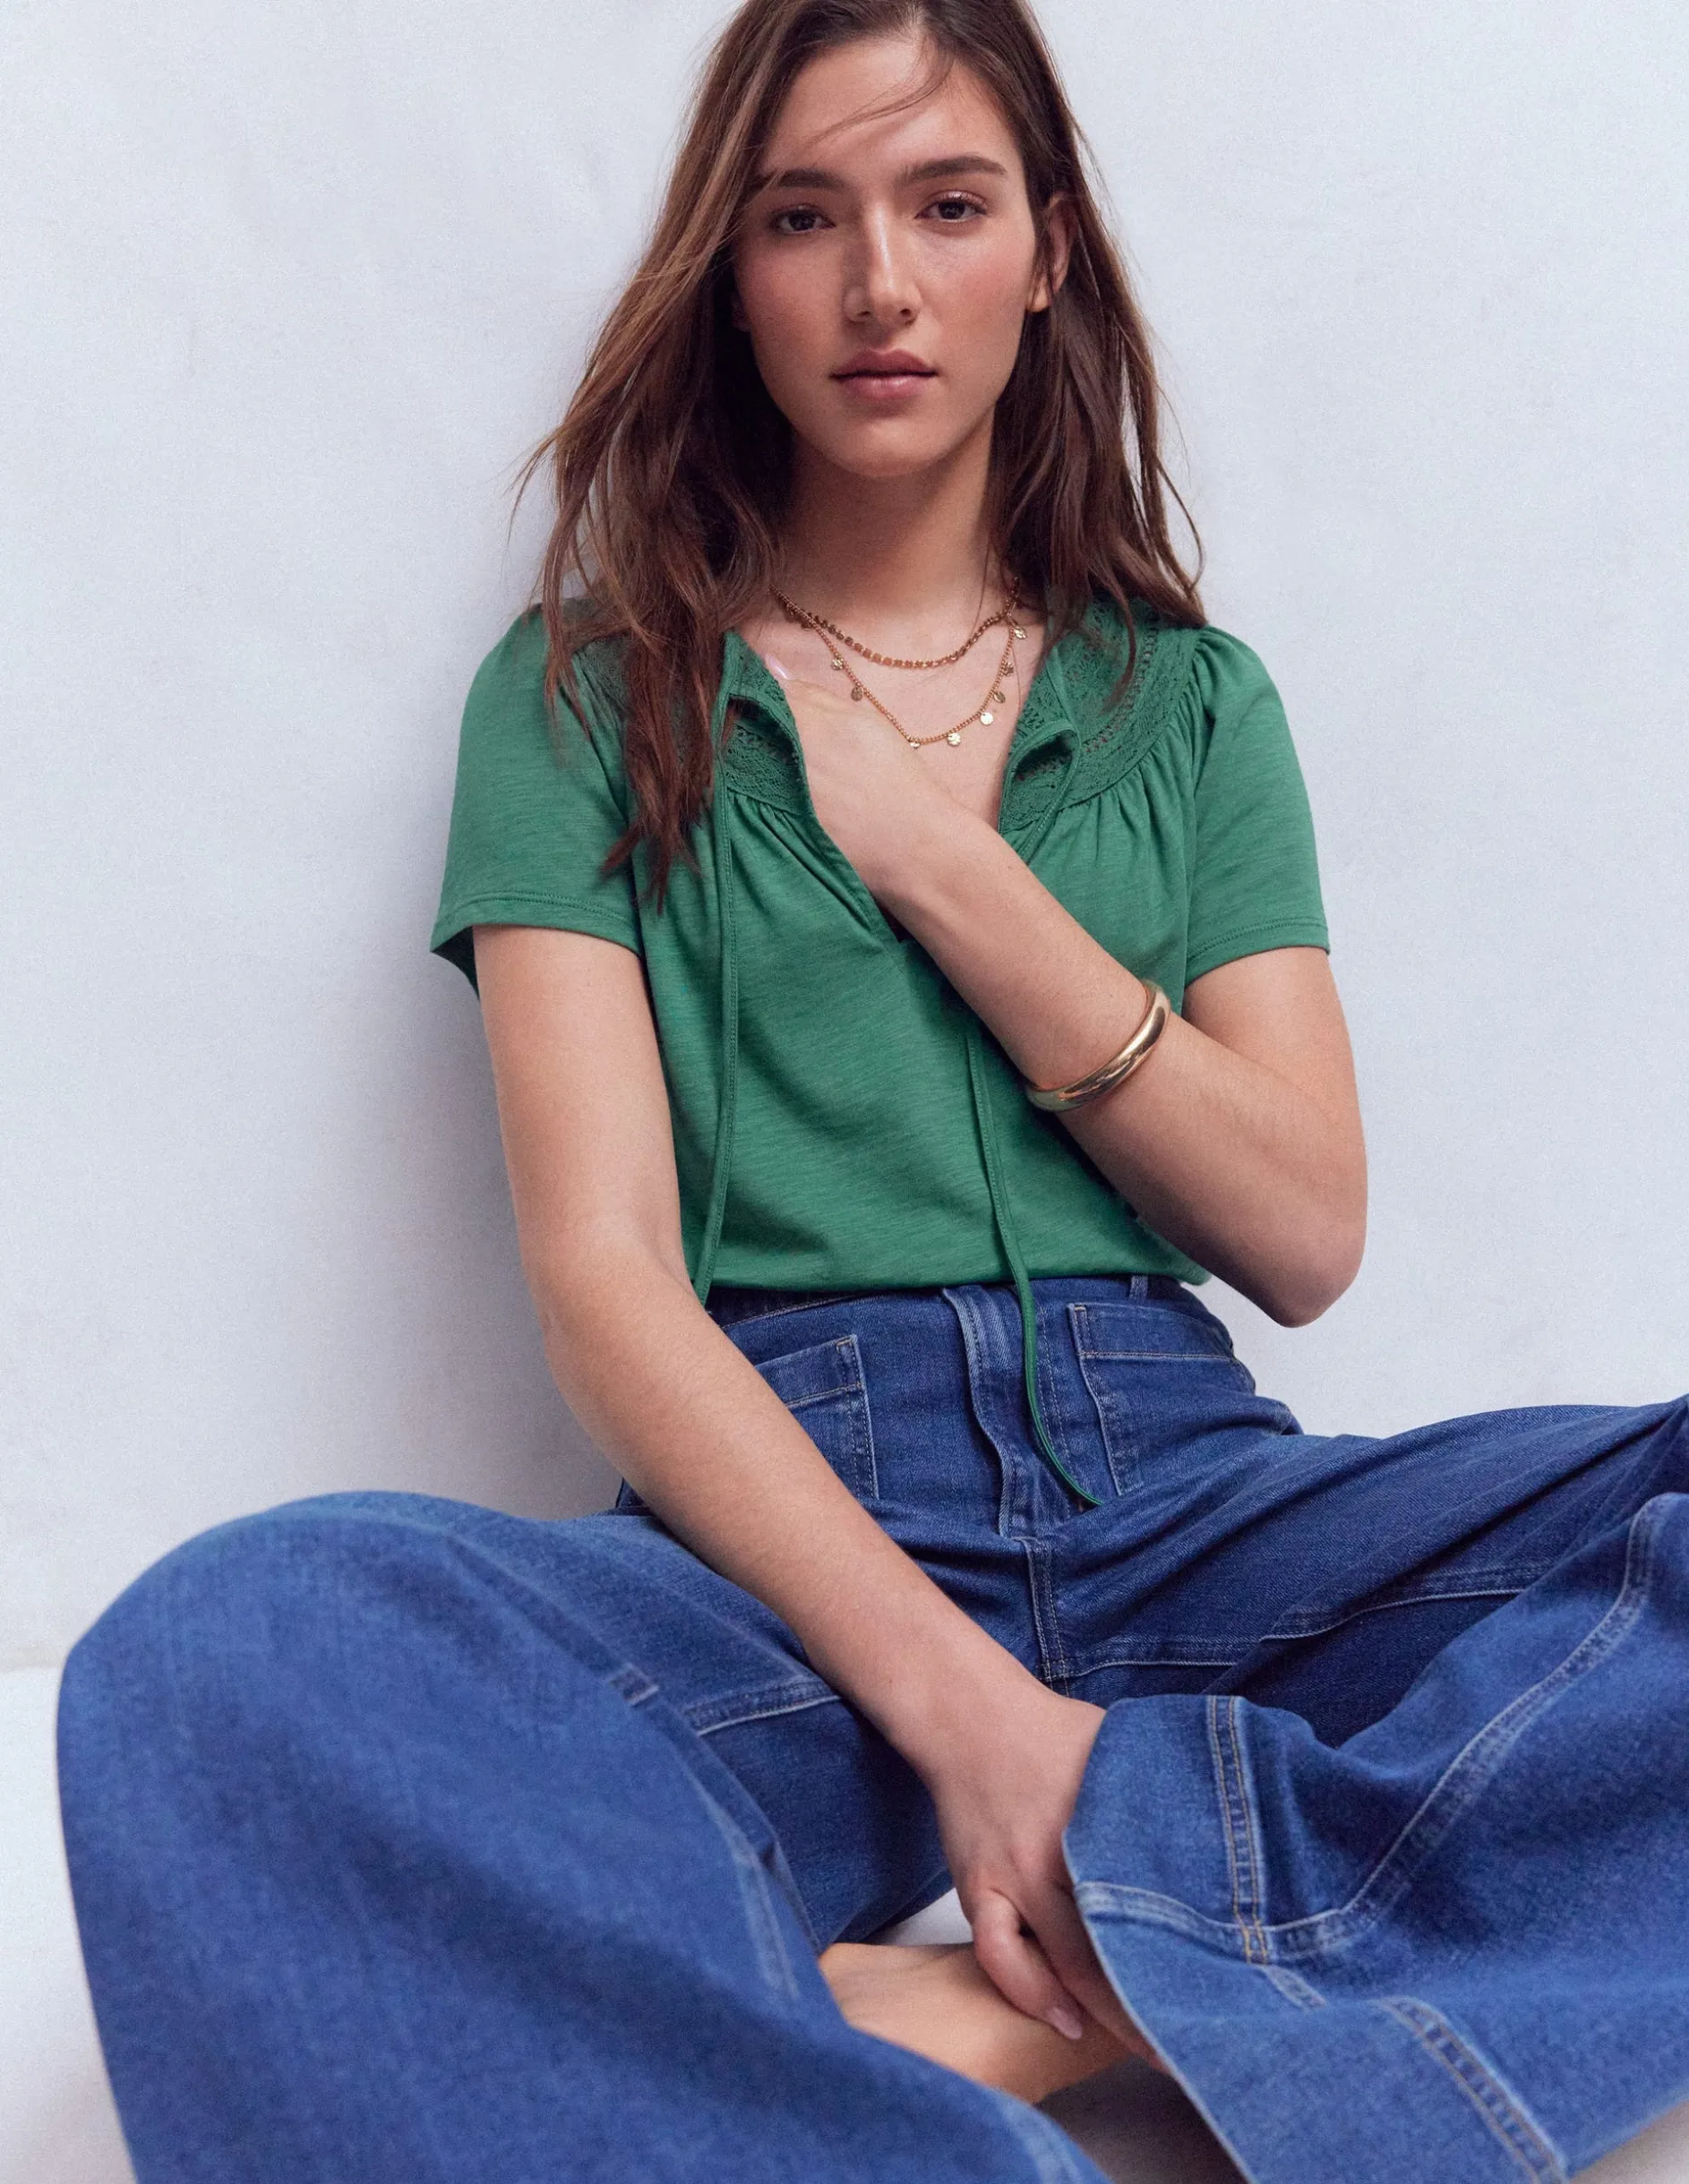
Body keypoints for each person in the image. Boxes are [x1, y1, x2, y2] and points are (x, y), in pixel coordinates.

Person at [56, 2, 1689, 2180]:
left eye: (947, 204)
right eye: (803, 219)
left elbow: (1302, 1229)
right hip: (783, 1537)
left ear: (1049, 251)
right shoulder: (585, 698)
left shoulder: (1192, 704)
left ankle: (1062, 1992)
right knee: (226, 1648)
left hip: (1196, 1499)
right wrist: (966, 1711)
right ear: (731, 276)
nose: (881, 286)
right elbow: (605, 1285)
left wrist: (940, 862)